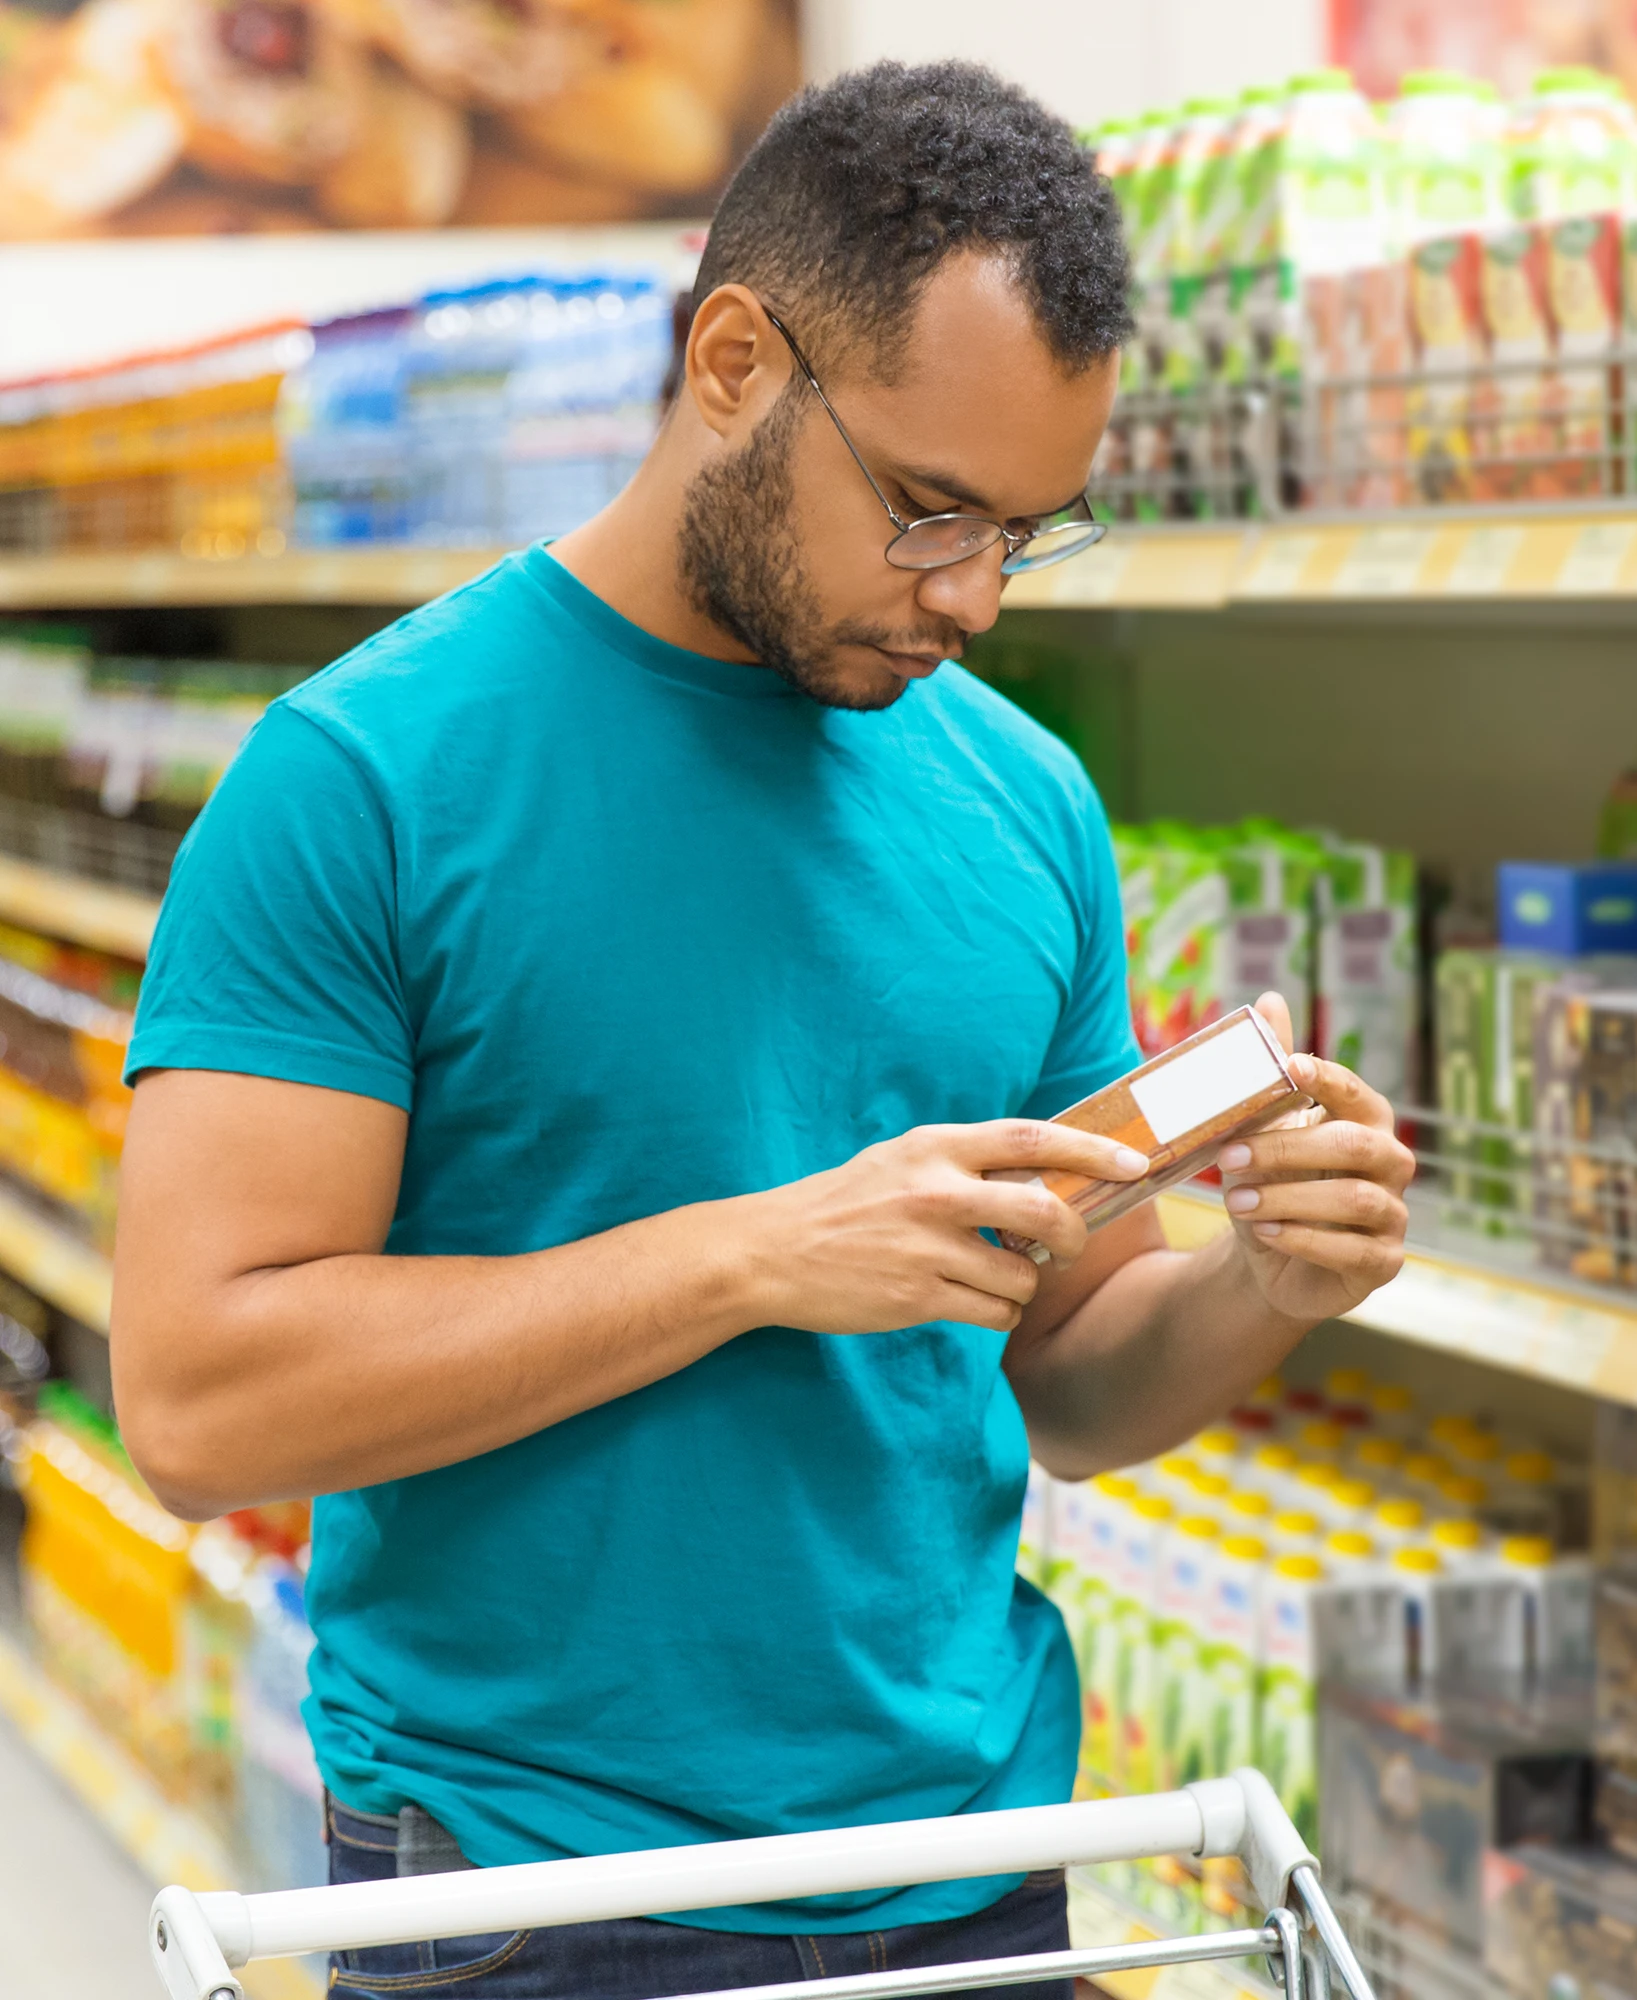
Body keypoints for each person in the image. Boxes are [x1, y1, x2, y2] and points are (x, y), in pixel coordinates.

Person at [111, 59, 1412, 2000]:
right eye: (922, 510)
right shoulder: (363, 783)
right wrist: (754, 1257)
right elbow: (200, 1403)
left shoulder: (1023, 803)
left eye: (1024, 531)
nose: (969, 595)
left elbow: (1065, 1370)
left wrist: (1264, 1288)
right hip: (524, 1890)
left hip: (977, 1858)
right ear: (731, 361)